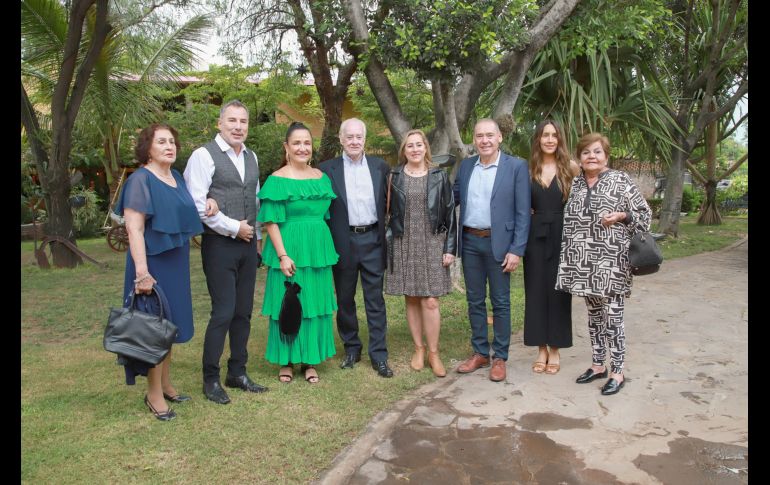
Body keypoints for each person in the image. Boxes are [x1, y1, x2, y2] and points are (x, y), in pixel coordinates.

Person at [116, 123, 207, 420]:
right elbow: (135, 228)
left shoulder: (176, 177)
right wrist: (142, 272)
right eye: (161, 142)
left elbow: (187, 209)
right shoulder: (140, 180)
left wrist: (211, 203)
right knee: (154, 329)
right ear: (148, 148)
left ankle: (166, 383)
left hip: (176, 263)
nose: (169, 146)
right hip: (152, 265)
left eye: (172, 141)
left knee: (171, 325)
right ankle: (153, 394)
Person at [184, 100, 268, 404]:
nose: (238, 127)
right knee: (223, 312)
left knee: (243, 313)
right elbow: (197, 205)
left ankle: (237, 372)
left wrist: (256, 238)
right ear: (219, 123)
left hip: (247, 247)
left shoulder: (252, 156)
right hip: (219, 246)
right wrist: (234, 227)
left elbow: (255, 201)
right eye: (232, 120)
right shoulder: (203, 156)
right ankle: (210, 379)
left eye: (243, 121)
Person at [556, 132, 652, 396]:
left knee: (613, 318)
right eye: (586, 152)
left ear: (606, 155)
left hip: (612, 263)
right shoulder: (576, 183)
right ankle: (598, 364)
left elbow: (645, 215)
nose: (591, 157)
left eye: (597, 152)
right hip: (585, 265)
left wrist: (623, 215)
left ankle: (617, 371)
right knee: (594, 316)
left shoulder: (621, 180)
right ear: (580, 157)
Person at [258, 122, 339, 383]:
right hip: (290, 249)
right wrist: (282, 255)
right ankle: (287, 360)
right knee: (290, 304)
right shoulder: (277, 179)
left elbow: (323, 215)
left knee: (314, 305)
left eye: (307, 143)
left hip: (317, 252)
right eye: (296, 143)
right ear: (286, 147)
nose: (302, 148)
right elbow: (270, 221)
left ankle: (310, 359)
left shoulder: (321, 177)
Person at [453, 118, 531, 382]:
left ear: (500, 138)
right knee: (474, 300)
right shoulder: (465, 167)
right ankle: (479, 353)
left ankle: (499, 357)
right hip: (471, 242)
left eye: (489, 135)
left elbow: (523, 213)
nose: (484, 140)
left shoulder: (516, 167)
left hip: (500, 244)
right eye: (479, 136)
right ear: (474, 140)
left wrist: (516, 249)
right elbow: (451, 199)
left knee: (500, 302)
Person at [319, 118, 394, 378]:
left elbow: (391, 202)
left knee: (375, 300)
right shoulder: (326, 170)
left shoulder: (380, 167)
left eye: (358, 136)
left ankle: (379, 354)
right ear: (341, 139)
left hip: (373, 238)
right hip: (343, 241)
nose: (354, 141)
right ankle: (352, 347)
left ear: (365, 139)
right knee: (345, 299)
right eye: (349, 136)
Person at [385, 129, 457, 377]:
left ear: (426, 147)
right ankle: (418, 348)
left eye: (419, 145)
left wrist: (449, 249)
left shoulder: (439, 176)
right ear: (403, 150)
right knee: (412, 298)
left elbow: (450, 214)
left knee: (430, 299)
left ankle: (434, 353)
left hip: (432, 242)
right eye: (409, 146)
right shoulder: (394, 176)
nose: (415, 149)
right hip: (404, 241)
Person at [523, 119, 580, 375]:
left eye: (554, 135)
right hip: (535, 234)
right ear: (538, 139)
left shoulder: (570, 168)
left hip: (562, 232)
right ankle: (541, 349)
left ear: (560, 139)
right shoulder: (528, 169)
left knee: (559, 291)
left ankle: (555, 349)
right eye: (545, 135)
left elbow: (582, 202)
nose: (549, 139)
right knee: (535, 290)